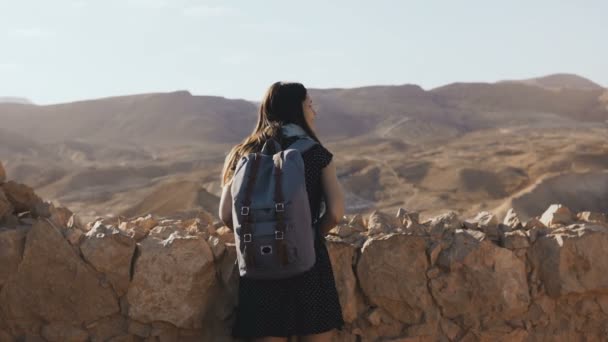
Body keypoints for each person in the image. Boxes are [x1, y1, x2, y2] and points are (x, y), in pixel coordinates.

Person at [219, 81, 346, 341]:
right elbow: (335, 213)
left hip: (259, 264)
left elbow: (224, 214)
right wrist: (308, 234)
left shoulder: (242, 153)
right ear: (297, 109)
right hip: (308, 262)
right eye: (310, 104)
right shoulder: (317, 153)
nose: (315, 112)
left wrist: (259, 234)